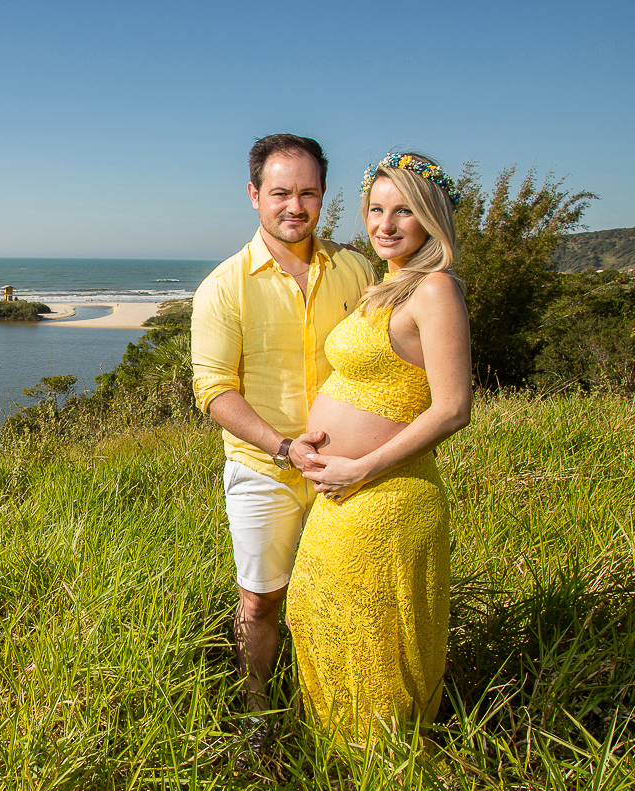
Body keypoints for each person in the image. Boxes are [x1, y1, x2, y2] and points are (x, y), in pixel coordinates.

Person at [288, 152, 472, 743]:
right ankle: (342, 762)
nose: (385, 225)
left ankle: (383, 772)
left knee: (371, 632)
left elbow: (452, 408)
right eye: (375, 209)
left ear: (430, 219)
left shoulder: (436, 288)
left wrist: (361, 467)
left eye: (403, 212)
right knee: (321, 614)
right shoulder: (386, 287)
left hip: (386, 496)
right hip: (348, 494)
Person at [191, 134, 376, 716]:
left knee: (344, 595)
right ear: (253, 195)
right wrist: (283, 447)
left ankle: (339, 710)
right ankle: (256, 714)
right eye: (280, 193)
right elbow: (214, 390)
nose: (294, 207)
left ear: (323, 196)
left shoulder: (356, 270)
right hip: (263, 470)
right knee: (262, 600)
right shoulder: (224, 286)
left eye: (308, 193)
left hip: (346, 467)